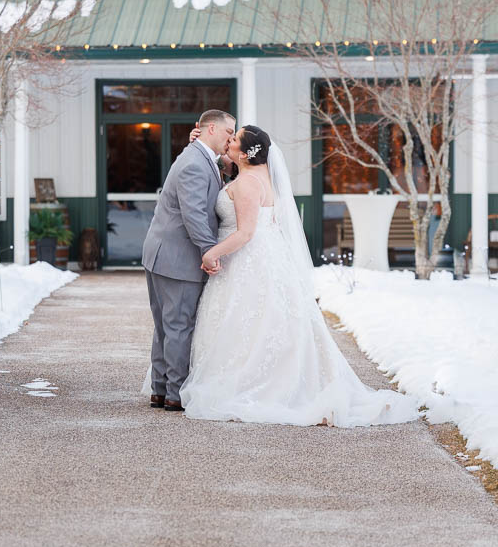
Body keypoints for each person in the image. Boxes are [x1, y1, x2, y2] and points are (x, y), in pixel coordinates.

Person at [177, 125, 421, 427]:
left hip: (247, 259)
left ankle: (255, 383)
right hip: (262, 258)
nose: (228, 142)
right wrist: (199, 142)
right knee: (258, 323)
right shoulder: (256, 175)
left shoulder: (248, 183)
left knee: (249, 322)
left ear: (246, 152)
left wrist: (213, 253)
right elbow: (225, 169)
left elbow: (246, 233)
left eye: (234, 140)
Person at [141, 109, 235, 412]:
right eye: (228, 132)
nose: (231, 138)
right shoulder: (196, 162)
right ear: (209, 129)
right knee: (178, 326)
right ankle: (175, 394)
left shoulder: (196, 155)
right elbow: (194, 213)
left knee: (167, 327)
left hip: (162, 254)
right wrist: (210, 251)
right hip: (177, 257)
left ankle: (160, 389)